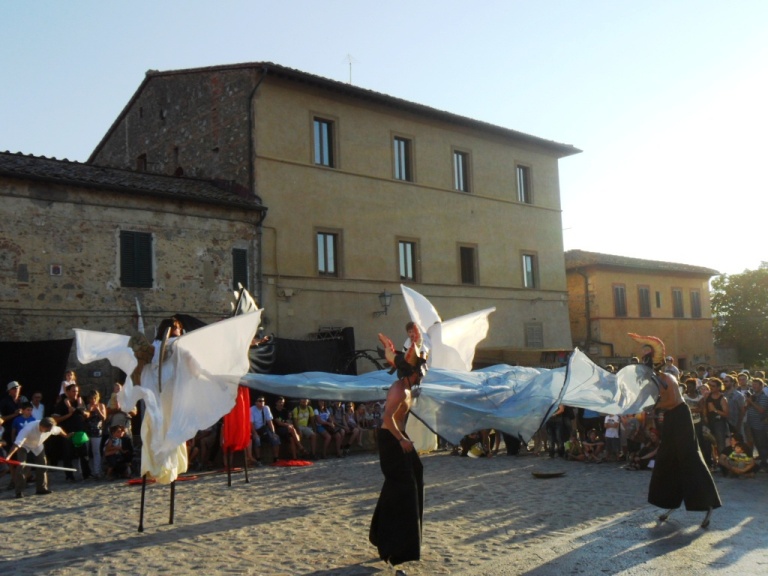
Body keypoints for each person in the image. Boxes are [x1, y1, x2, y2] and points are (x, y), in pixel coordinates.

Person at [369, 326, 427, 574]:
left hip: (399, 437)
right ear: (411, 372)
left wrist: (416, 340)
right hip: (390, 438)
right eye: (419, 372)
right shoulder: (397, 390)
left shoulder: (409, 389)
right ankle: (395, 548)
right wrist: (401, 441)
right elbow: (387, 420)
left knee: (417, 473)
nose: (421, 375)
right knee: (403, 488)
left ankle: (381, 534)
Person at [648, 371, 721, 528]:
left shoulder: (668, 378)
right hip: (670, 418)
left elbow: (673, 401)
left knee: (689, 458)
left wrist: (653, 405)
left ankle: (707, 501)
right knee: (666, 458)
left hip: (681, 416)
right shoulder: (656, 381)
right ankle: (670, 500)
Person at [6, 417, 69, 498]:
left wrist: (66, 436)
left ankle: (41, 488)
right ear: (41, 426)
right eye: (46, 430)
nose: (48, 432)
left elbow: (59, 430)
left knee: (43, 465)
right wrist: (8, 456)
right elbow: (17, 444)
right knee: (22, 467)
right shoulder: (28, 429)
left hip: (38, 445)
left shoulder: (51, 428)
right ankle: (19, 491)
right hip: (24, 445)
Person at [52, 383, 93, 481]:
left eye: (77, 391)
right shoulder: (62, 404)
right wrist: (69, 414)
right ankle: (69, 476)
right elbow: (55, 419)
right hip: (68, 433)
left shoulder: (80, 402)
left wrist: (85, 413)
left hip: (80, 432)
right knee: (68, 455)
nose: (76, 393)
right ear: (68, 392)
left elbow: (87, 413)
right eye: (74, 391)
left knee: (84, 454)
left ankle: (86, 474)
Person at [744, 378, 768, 470]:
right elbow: (747, 408)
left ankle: (764, 462)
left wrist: (751, 402)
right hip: (751, 424)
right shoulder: (753, 396)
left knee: (762, 444)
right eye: (753, 384)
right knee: (755, 444)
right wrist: (748, 402)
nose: (754, 386)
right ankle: (760, 460)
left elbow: (761, 410)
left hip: (760, 425)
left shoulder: (764, 397)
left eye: (756, 384)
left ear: (761, 386)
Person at [250, 396, 280, 464]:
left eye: (263, 401)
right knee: (257, 440)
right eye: (260, 401)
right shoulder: (251, 410)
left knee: (275, 438)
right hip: (255, 429)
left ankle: (276, 458)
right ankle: (258, 459)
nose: (262, 403)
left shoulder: (266, 408)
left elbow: (269, 422)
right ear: (256, 402)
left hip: (264, 429)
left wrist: (273, 432)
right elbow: (251, 424)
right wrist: (255, 433)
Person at [84, 390, 107, 478]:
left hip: (97, 431)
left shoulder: (101, 406)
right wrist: (88, 412)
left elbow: (104, 418)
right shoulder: (87, 406)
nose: (93, 400)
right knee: (86, 452)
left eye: (95, 398)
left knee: (96, 452)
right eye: (91, 398)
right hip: (87, 431)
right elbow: (84, 419)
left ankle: (97, 471)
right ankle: (86, 471)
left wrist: (98, 410)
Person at [1, 381, 24, 445]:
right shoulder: (4, 402)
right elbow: (1, 418)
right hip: (8, 431)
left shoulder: (22, 400)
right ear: (9, 391)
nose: (16, 390)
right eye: (13, 388)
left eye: (17, 388)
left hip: (21, 431)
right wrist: (14, 414)